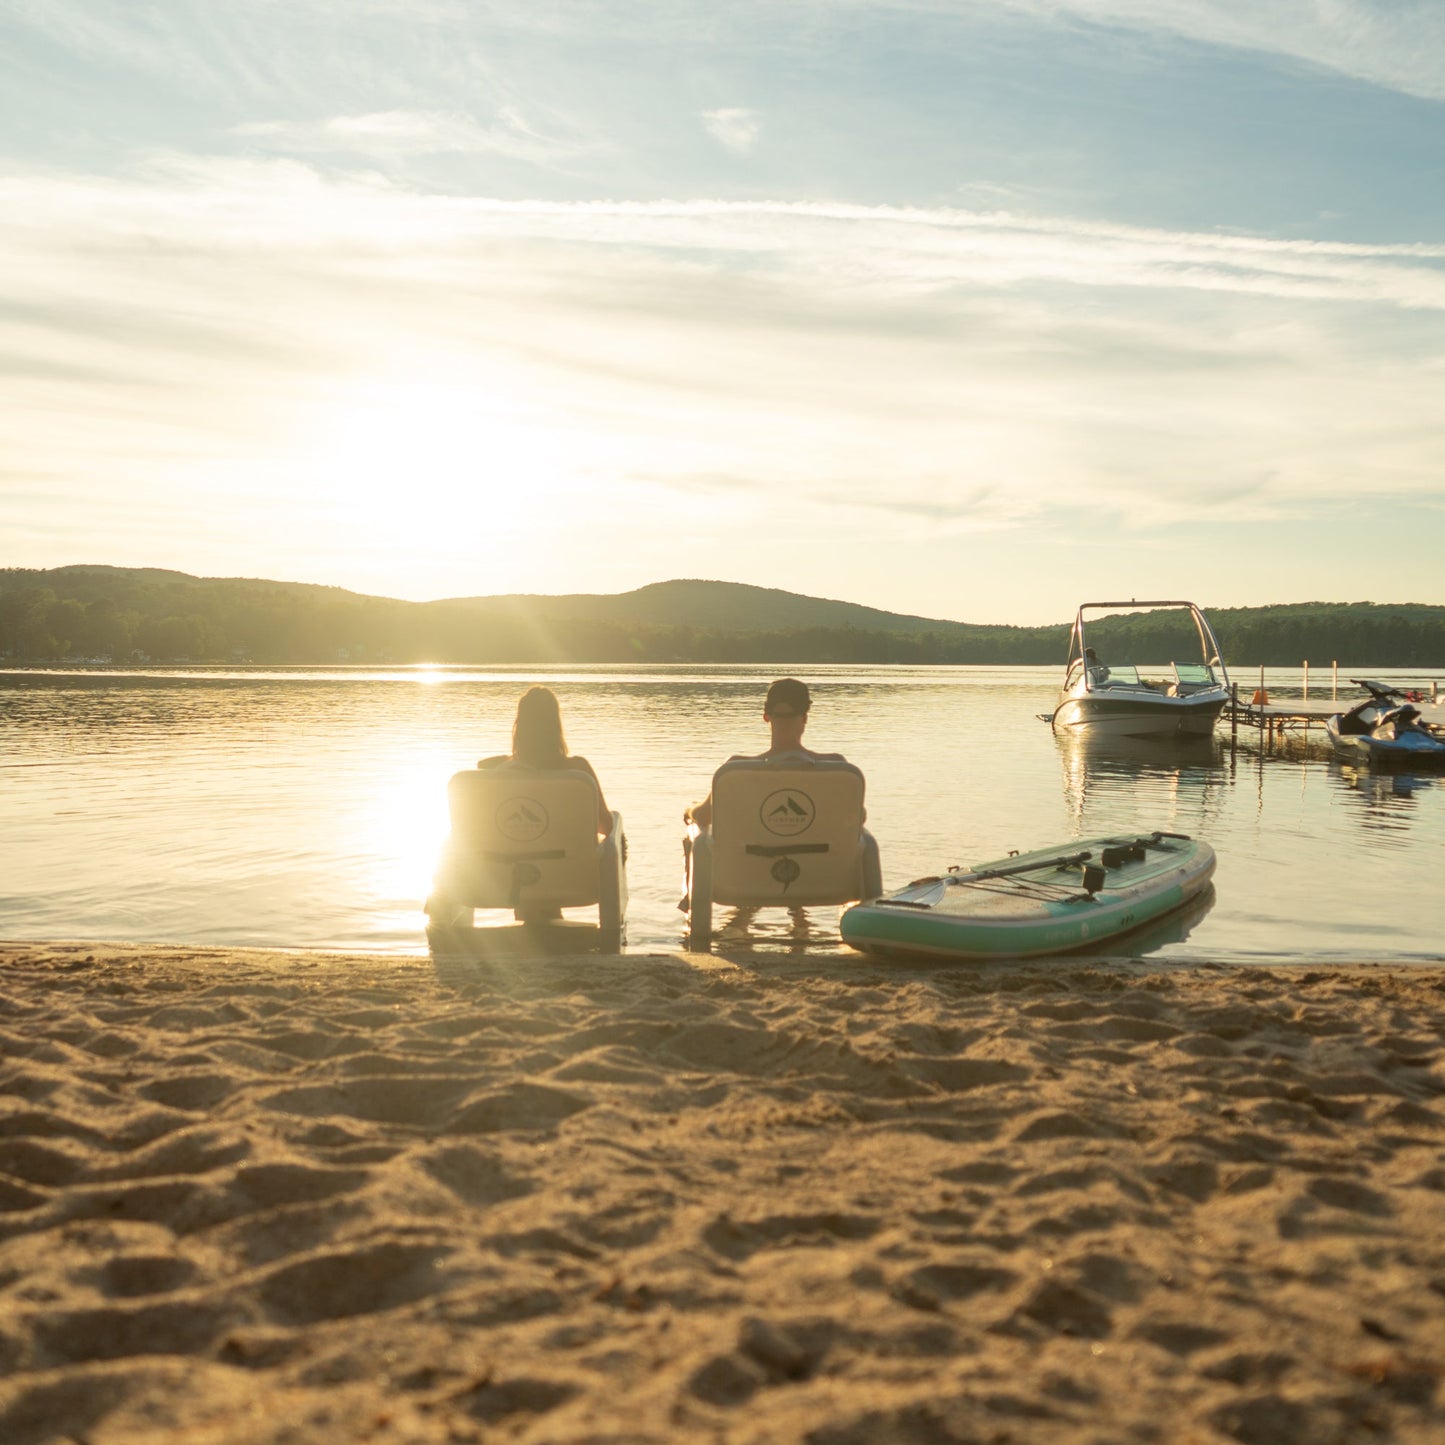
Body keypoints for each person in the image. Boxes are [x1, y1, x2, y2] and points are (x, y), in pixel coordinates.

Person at [684, 677, 852, 829]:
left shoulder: (736, 770)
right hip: (822, 860)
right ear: (805, 717)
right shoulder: (836, 767)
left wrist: (691, 809)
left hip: (752, 861)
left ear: (766, 717)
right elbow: (858, 817)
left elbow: (704, 817)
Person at [482, 685, 614, 835]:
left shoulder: (504, 772)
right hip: (567, 856)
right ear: (555, 724)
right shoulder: (578, 771)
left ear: (520, 726)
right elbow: (606, 827)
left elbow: (482, 763)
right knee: (616, 820)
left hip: (512, 855)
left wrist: (509, 760)